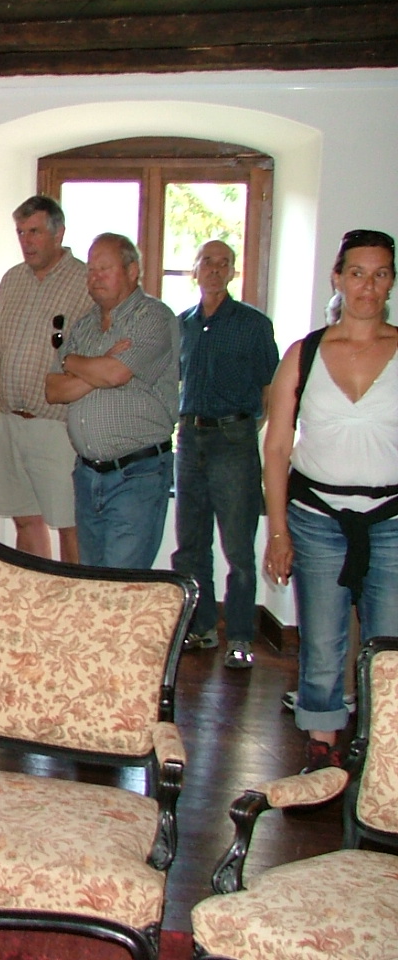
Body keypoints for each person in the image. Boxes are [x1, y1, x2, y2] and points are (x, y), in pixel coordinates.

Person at [264, 228, 398, 773]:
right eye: (358, 273)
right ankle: (322, 743)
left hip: (390, 519)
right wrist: (278, 532)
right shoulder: (306, 354)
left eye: (380, 274)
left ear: (391, 282)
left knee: (388, 643)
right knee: (322, 638)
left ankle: (383, 746)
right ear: (337, 278)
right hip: (317, 517)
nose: (368, 286)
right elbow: (277, 446)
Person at [173, 240, 280, 668]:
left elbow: (271, 389)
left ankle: (239, 637)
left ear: (233, 272)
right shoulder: (182, 325)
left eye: (224, 263)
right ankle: (201, 628)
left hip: (234, 441)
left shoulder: (253, 325)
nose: (215, 270)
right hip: (189, 439)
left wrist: (244, 428)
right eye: (207, 262)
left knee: (238, 549)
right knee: (191, 545)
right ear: (195, 270)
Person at [45, 234, 179, 569]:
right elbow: (53, 390)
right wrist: (99, 364)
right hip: (88, 475)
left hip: (137, 474)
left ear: (132, 271)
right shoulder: (84, 326)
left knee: (121, 581)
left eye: (104, 268)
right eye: (90, 270)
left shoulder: (153, 318)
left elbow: (116, 375)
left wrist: (75, 363)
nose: (95, 277)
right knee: (93, 580)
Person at [0, 196, 92, 563]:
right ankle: (36, 594)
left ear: (58, 233)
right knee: (25, 520)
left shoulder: (84, 282)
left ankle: (74, 594)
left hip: (57, 425)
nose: (26, 241)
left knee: (69, 523)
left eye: (34, 232)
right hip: (10, 422)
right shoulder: (11, 280)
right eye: (20, 232)